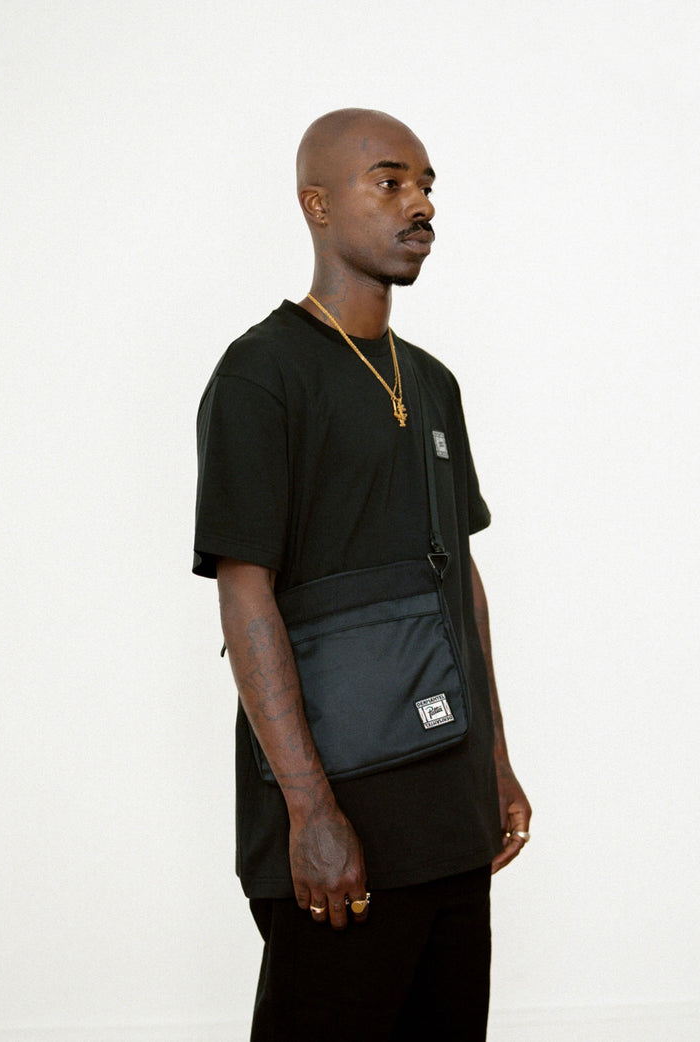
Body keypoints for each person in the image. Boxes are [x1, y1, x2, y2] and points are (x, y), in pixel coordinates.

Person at [193, 107, 531, 1041]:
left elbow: (459, 578)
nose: (420, 204)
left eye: (426, 186)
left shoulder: (433, 382)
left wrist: (494, 760)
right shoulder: (261, 374)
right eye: (389, 183)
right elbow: (245, 590)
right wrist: (309, 809)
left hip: (450, 822)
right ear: (317, 205)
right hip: (341, 828)